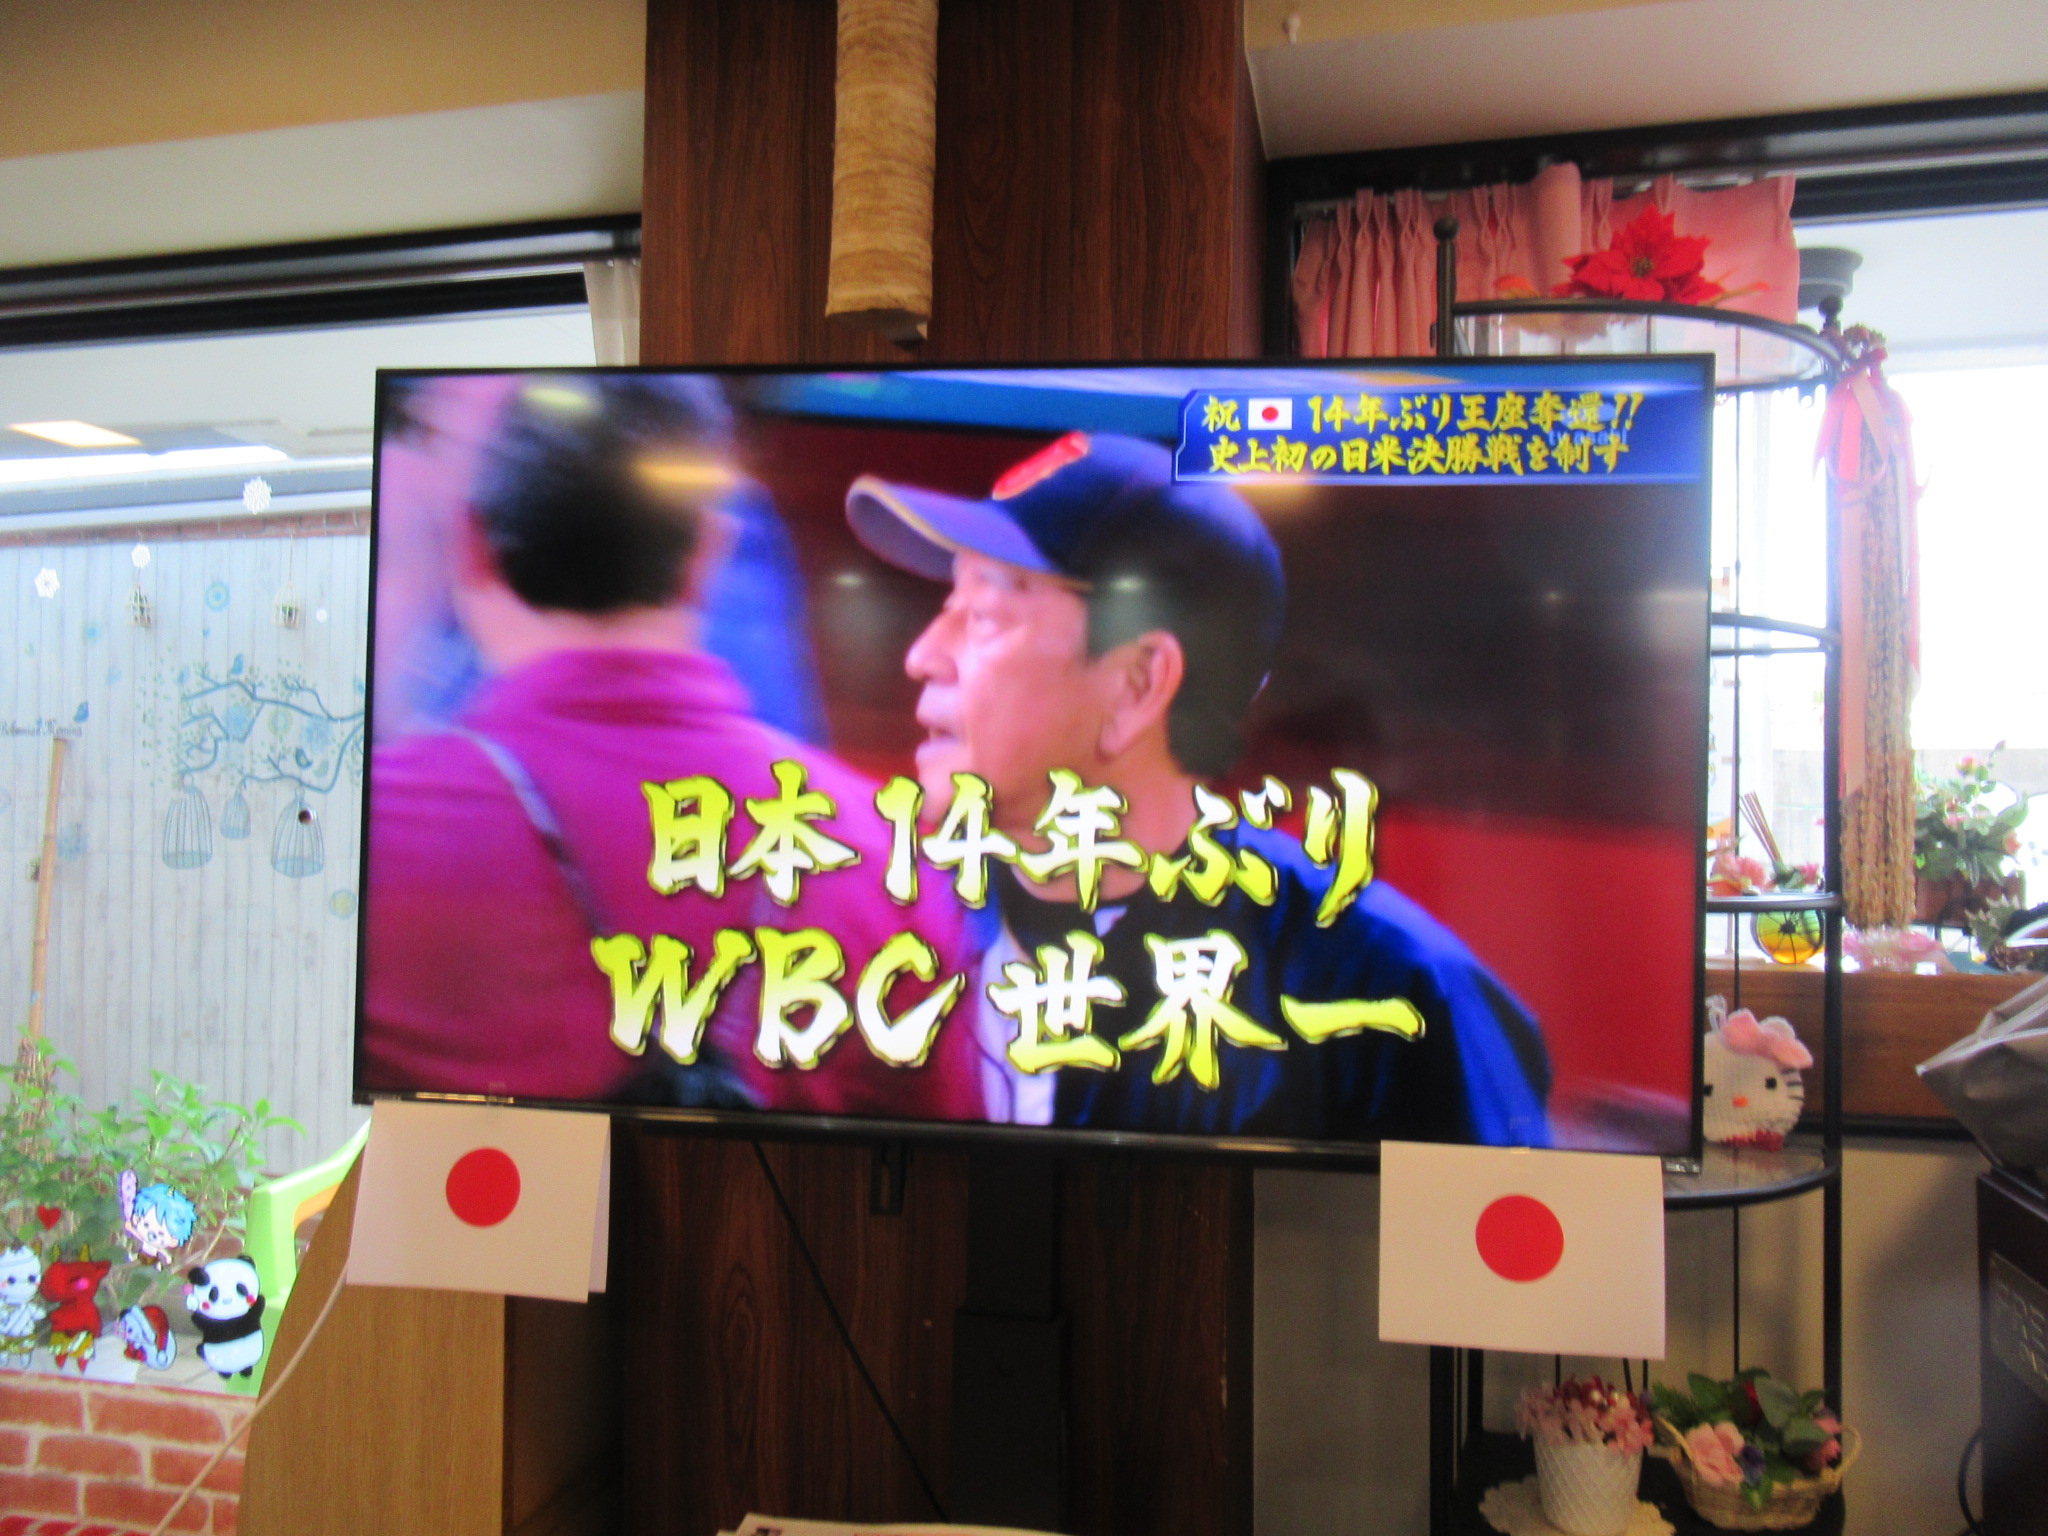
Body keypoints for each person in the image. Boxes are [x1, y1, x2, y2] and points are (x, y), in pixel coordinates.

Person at [846, 431, 1551, 1145]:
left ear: (1137, 685)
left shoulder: (1391, 995)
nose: (923, 655)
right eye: (948, 603)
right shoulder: (891, 935)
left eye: (985, 617)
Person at [363, 375, 982, 1119]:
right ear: (710, 551)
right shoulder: (885, 857)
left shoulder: (380, 836)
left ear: (471, 546)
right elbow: (952, 1156)